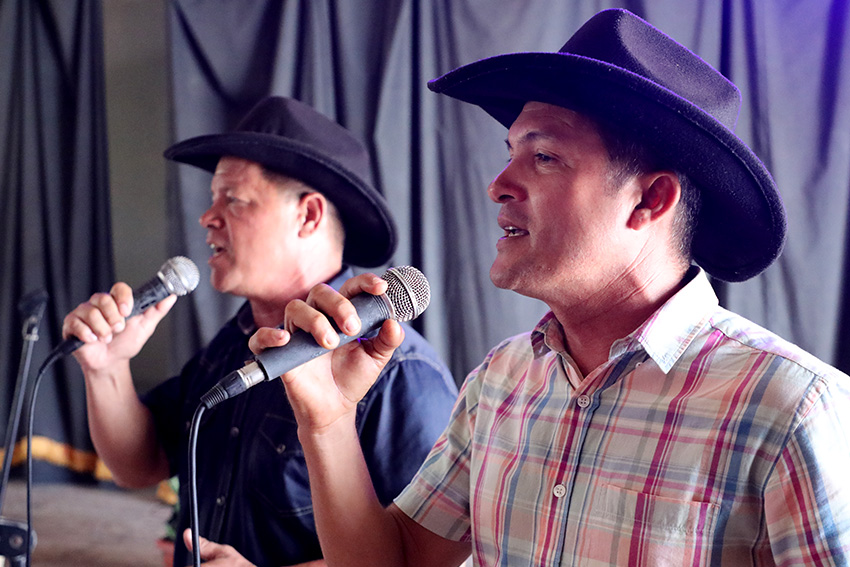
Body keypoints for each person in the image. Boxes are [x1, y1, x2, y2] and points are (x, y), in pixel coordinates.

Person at [248, 9, 850, 567]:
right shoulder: (500, 382)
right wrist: (327, 421)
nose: (498, 184)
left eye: (545, 157)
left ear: (650, 199)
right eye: (510, 152)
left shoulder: (793, 407)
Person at [61, 96, 458, 567]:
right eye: (212, 200)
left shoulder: (399, 372)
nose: (208, 218)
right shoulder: (233, 344)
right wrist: (107, 369)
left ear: (308, 216)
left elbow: (421, 560)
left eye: (233, 199)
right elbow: (139, 465)